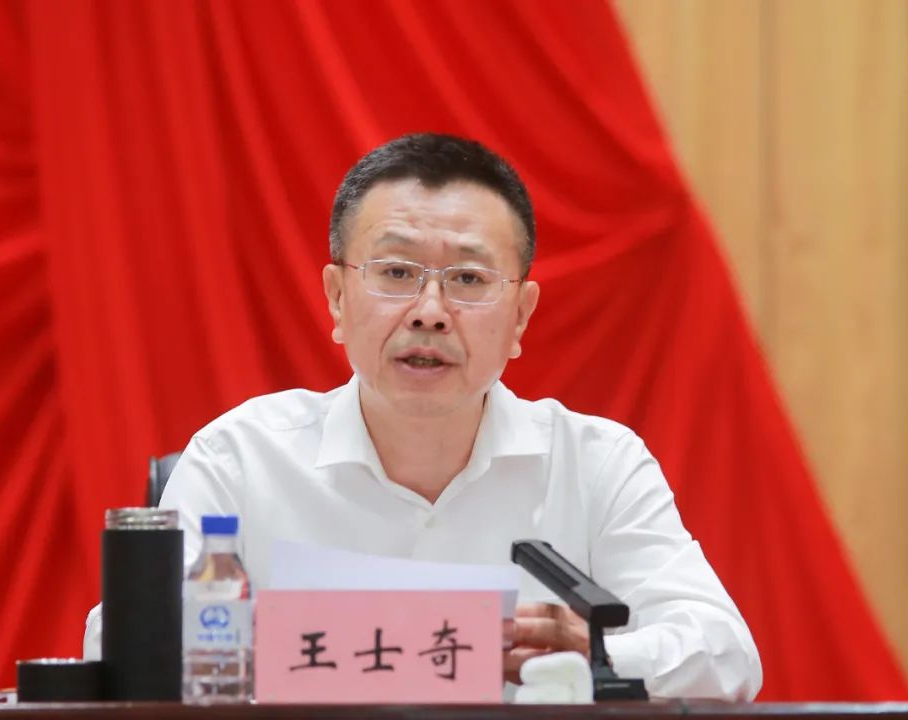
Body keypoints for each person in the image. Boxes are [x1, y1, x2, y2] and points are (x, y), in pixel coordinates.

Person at [84, 133, 762, 700]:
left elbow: (726, 653)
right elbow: (118, 641)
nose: (430, 311)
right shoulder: (241, 457)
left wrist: (599, 657)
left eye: (468, 279)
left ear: (521, 317)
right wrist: (287, 642)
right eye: (396, 272)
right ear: (337, 298)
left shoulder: (596, 463)